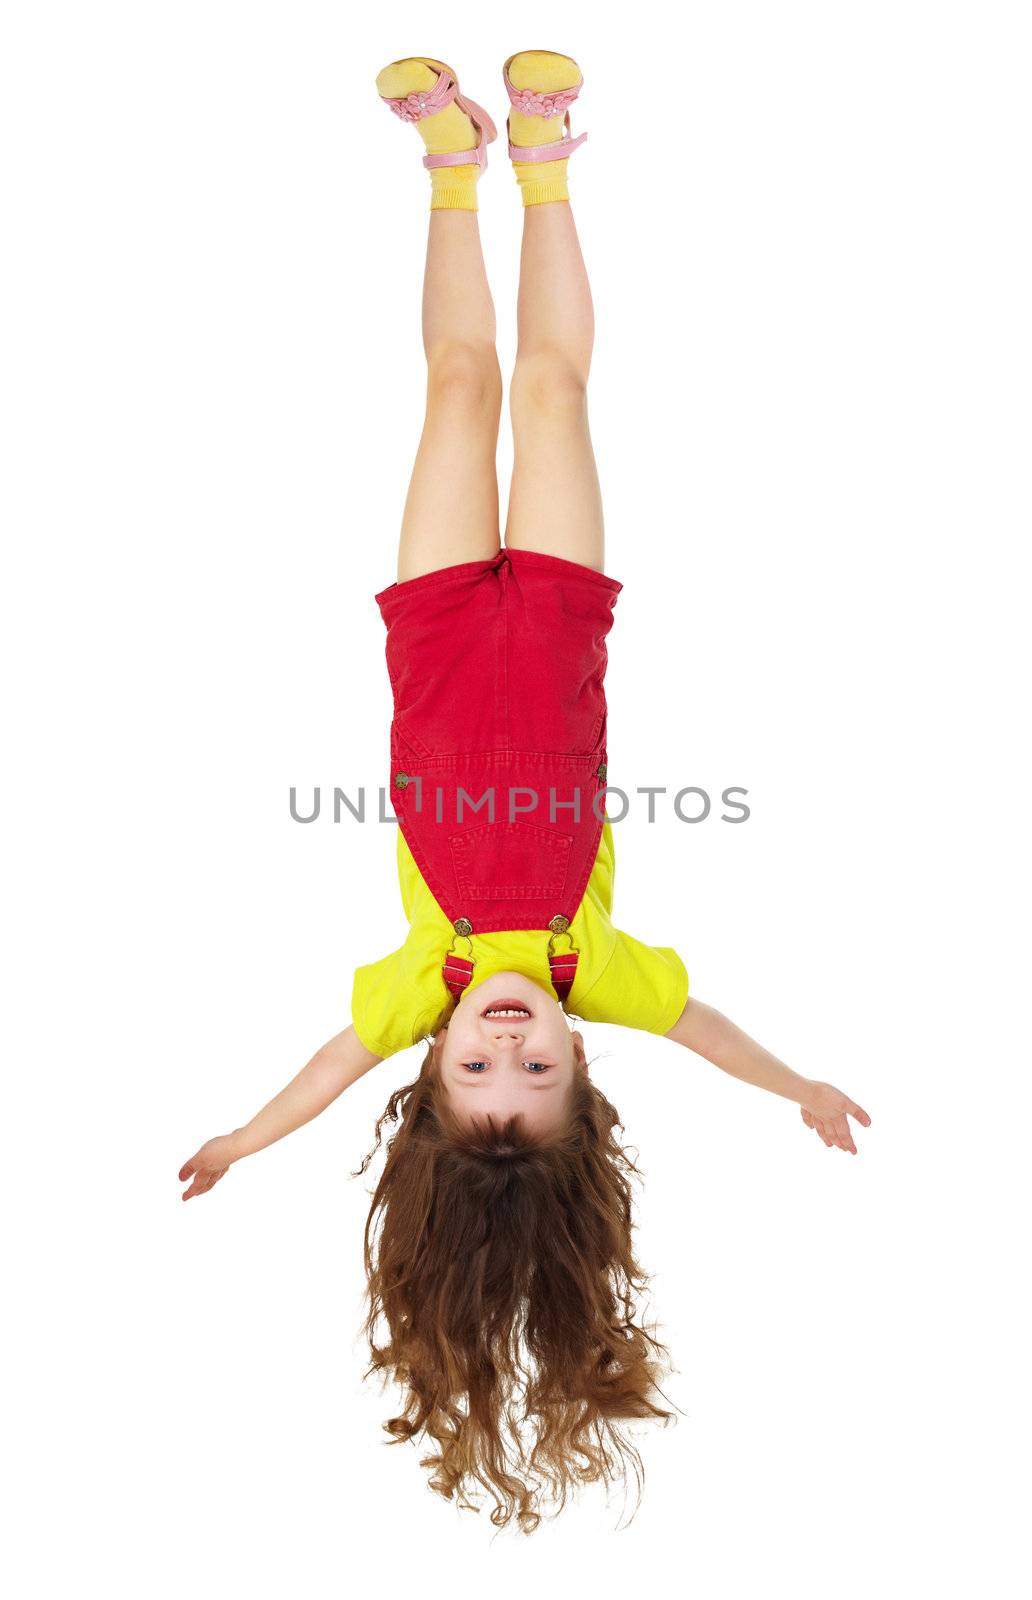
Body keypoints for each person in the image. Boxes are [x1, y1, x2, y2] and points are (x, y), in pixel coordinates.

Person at [178, 51, 872, 1533]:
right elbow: (713, 1035)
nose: (505, 1047)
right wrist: (800, 1085)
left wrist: (242, 1137)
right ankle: (544, 159)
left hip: (432, 634)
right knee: (552, 387)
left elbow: (323, 1074)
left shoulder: (418, 986)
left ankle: (450, 164)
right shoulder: (593, 971)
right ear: (581, 1073)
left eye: (474, 1076)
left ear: (428, 1080)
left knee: (455, 384)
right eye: (539, 1075)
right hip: (556, 626)